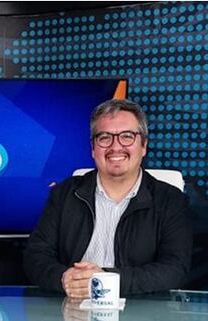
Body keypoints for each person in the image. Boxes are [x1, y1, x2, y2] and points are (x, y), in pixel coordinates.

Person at [23, 98, 192, 298]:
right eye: (104, 138)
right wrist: (64, 278)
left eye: (127, 136)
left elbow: (174, 269)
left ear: (144, 145)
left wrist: (104, 281)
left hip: (140, 314)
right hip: (72, 313)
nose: (115, 147)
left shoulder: (171, 200)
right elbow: (34, 257)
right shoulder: (64, 194)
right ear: (93, 148)